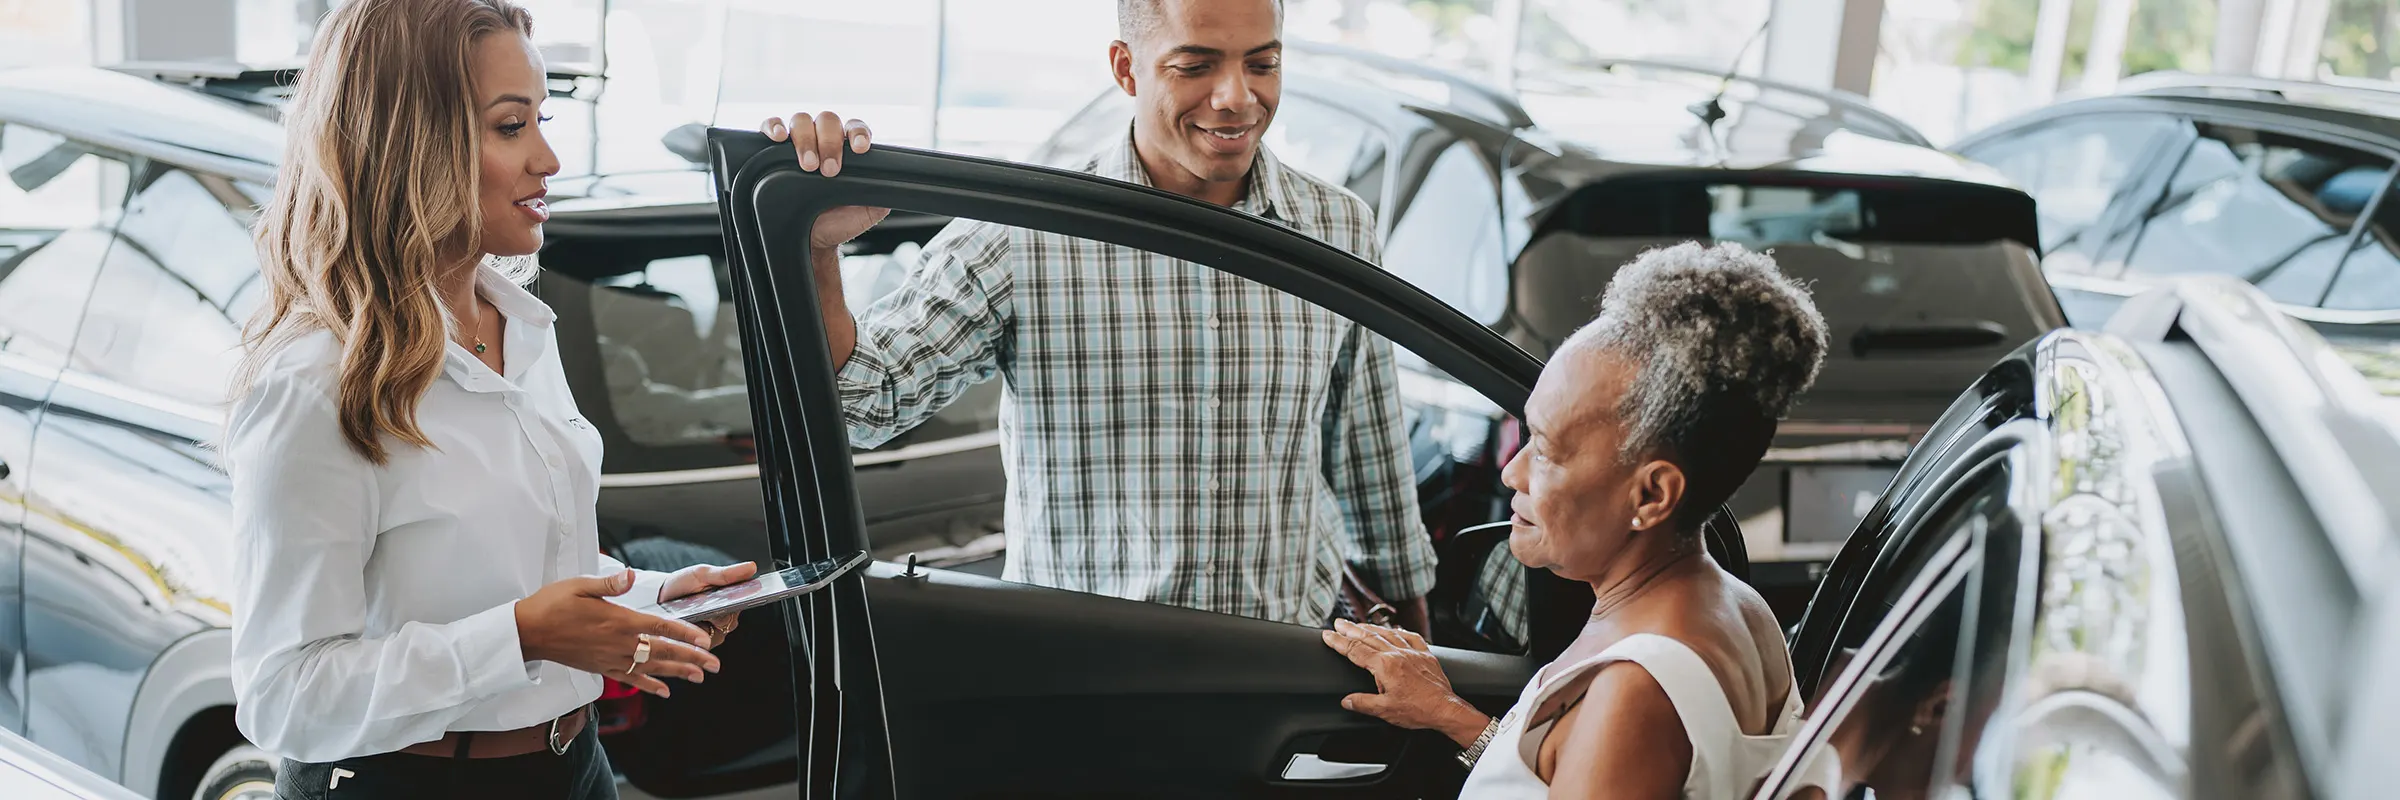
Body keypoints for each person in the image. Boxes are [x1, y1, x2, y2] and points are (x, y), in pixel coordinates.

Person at [762, 0, 1437, 631]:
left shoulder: (1338, 226)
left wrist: (1425, 669)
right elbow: (865, 406)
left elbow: (1367, 448)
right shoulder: (1023, 232)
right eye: (1196, 66)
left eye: (1262, 63)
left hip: (1286, 664)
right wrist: (817, 248)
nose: (1237, 96)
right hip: (1091, 668)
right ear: (1126, 68)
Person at [224, 2, 757, 796]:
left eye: (542, 119)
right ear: (411, 144)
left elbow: (509, 570)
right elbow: (285, 697)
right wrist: (521, 638)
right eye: (511, 127)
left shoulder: (521, 326)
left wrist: (647, 596)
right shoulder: (316, 383)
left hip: (574, 769)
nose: (548, 158)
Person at [1322, 243, 1831, 798]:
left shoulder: (1634, 693)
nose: (1511, 474)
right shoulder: (1741, 608)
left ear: (1652, 495)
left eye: (1545, 450)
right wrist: (1450, 715)